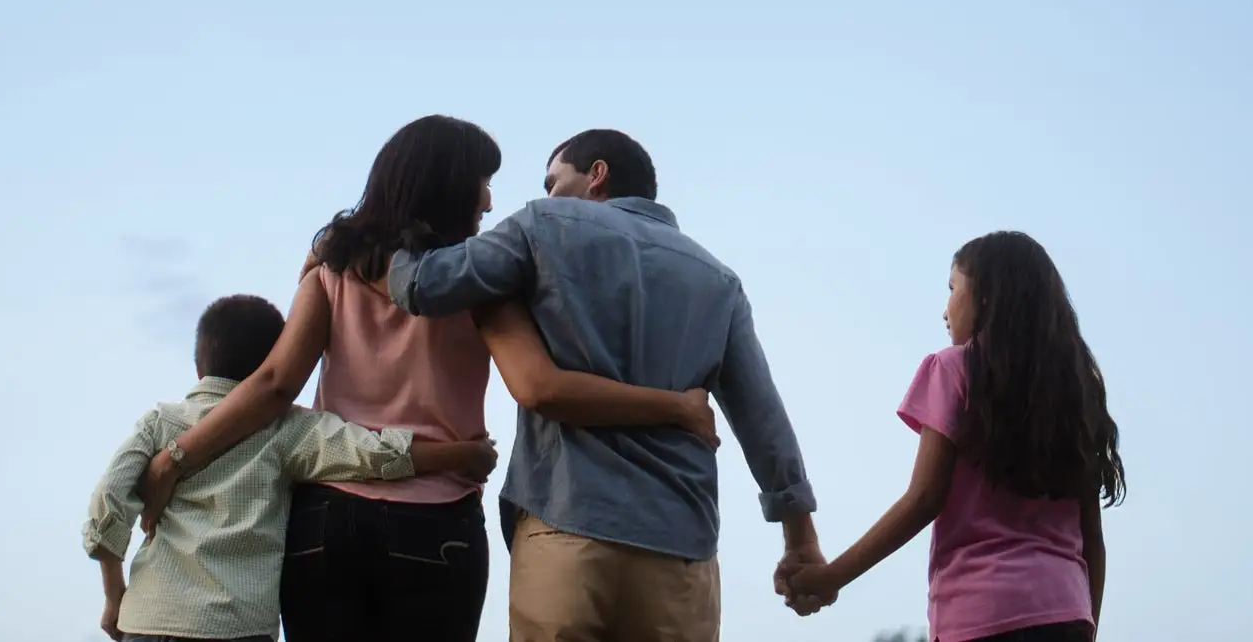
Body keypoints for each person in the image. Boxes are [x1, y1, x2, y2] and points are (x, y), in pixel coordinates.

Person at [134, 116, 718, 642]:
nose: (490, 200)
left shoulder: (333, 270)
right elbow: (537, 385)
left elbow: (272, 386)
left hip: (326, 519)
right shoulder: (486, 285)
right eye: (482, 181)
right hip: (436, 520)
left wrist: (175, 459)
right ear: (449, 186)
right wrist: (676, 405)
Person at [383, 128, 824, 642]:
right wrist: (800, 538)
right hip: (681, 548)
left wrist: (387, 235)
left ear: (596, 175)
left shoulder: (542, 224)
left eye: (553, 181)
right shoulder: (718, 280)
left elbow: (423, 285)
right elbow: (762, 417)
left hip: (566, 525)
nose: (548, 194)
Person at [83, 294, 497, 642]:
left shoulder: (161, 422)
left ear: (198, 367)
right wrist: (462, 454)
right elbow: (371, 454)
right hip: (237, 627)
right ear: (278, 362)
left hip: (147, 619)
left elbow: (109, 497)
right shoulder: (287, 428)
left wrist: (114, 594)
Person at [778, 231, 1126, 642]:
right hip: (1067, 612)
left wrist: (832, 576)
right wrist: (1087, 625)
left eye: (952, 289)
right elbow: (1092, 538)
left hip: (981, 615)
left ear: (986, 296)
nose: (945, 310)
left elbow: (924, 498)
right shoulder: (1075, 391)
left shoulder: (954, 369)